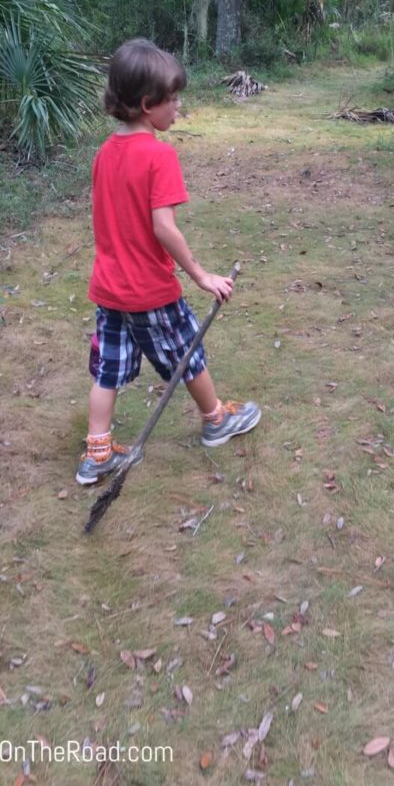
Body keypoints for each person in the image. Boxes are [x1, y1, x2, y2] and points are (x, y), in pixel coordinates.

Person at [76, 38, 261, 485]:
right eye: (173, 99)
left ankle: (97, 451)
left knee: (108, 369)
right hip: (150, 291)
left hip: (109, 288)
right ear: (146, 104)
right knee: (187, 354)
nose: (178, 107)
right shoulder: (159, 156)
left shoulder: (104, 154)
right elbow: (163, 227)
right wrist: (200, 274)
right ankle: (215, 420)